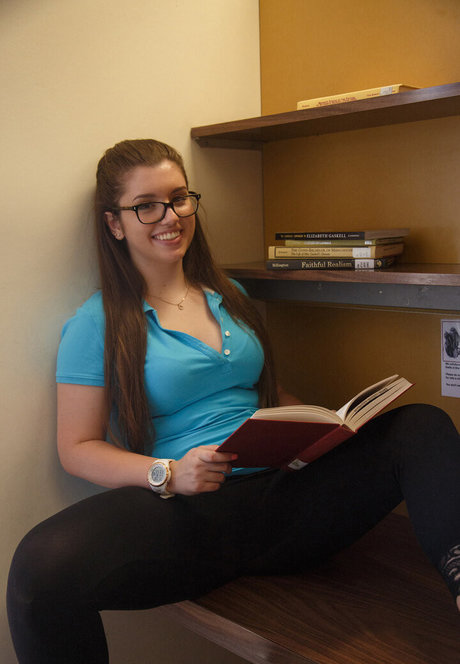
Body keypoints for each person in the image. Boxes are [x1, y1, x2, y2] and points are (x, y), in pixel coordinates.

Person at [7, 138, 460, 664]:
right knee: (41, 568)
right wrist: (170, 473)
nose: (170, 216)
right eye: (146, 205)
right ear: (115, 224)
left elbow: (271, 395)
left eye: (179, 198)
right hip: (192, 513)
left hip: (287, 496)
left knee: (420, 424)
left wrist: (327, 427)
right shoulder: (97, 322)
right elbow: (77, 448)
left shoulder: (230, 297)